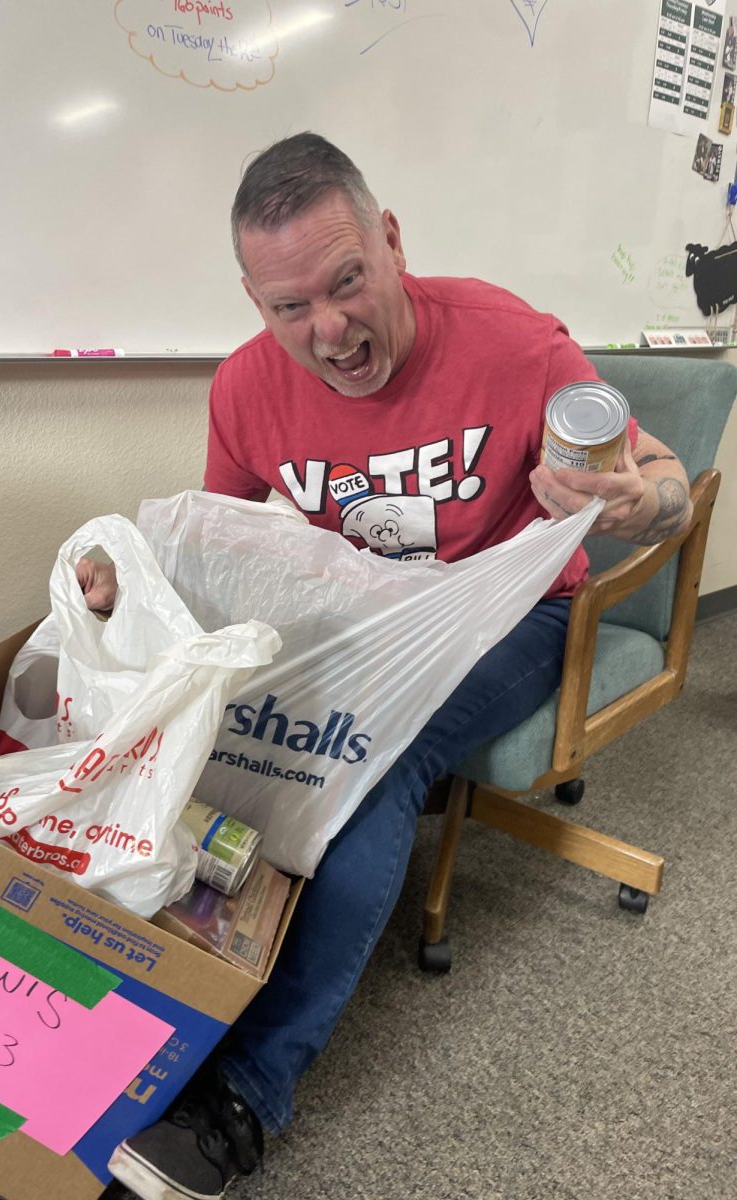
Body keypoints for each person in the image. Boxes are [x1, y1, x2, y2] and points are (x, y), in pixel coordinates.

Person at [79, 133, 692, 1200]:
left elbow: (666, 478)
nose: (329, 330)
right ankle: (172, 996)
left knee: (363, 766)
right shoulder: (244, 390)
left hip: (507, 615)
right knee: (207, 721)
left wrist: (643, 503)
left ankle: (245, 1096)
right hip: (364, 618)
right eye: (288, 307)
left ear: (391, 242)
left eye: (347, 281)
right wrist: (127, 587)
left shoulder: (513, 342)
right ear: (252, 302)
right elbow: (222, 545)